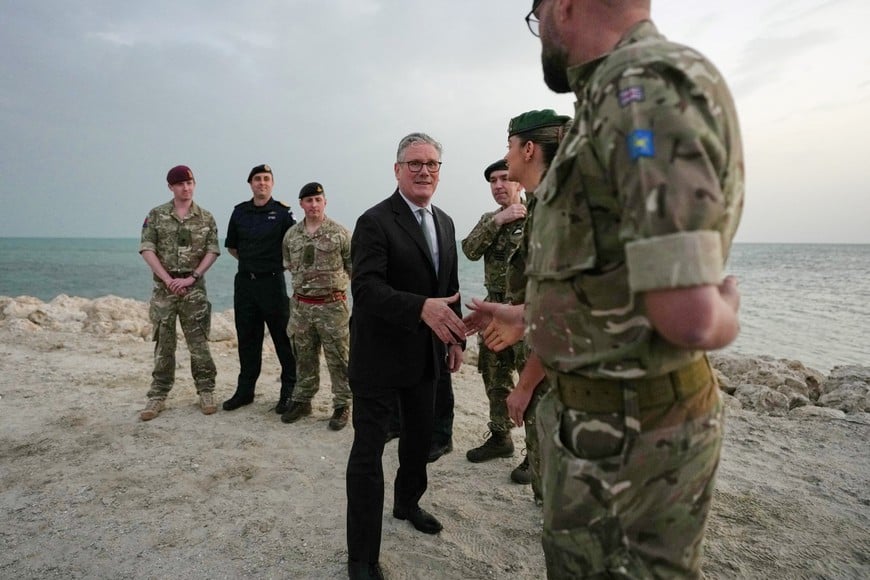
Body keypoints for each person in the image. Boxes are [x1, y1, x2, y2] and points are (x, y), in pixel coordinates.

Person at [471, 2, 745, 577]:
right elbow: (608, 271)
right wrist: (530, 313)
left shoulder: (640, 90)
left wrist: (726, 310)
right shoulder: (604, 104)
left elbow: (690, 318)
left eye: (536, 14)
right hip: (602, 429)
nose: (538, 30)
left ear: (564, 7)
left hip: (638, 441)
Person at [345, 132, 465, 580]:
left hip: (426, 354)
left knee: (418, 440)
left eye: (431, 163)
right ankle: (361, 558)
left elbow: (448, 291)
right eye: (414, 163)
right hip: (378, 357)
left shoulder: (447, 222)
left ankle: (407, 502)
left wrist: (454, 339)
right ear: (397, 170)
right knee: (368, 453)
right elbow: (366, 289)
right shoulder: (374, 221)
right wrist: (420, 308)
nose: (423, 171)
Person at [138, 165, 220, 421]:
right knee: (164, 344)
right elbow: (147, 249)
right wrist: (168, 279)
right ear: (171, 187)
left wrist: (191, 277)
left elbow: (212, 251)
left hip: (193, 290)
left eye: (190, 182)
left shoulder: (205, 217)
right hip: (164, 290)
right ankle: (158, 395)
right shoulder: (157, 215)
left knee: (199, 344)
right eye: (181, 184)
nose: (186, 188)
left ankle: (206, 390)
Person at [461, 160, 525, 467]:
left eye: (504, 179)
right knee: (495, 377)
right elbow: (470, 250)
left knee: (532, 384)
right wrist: (498, 220)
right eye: (492, 181)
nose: (498, 185)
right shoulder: (491, 219)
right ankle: (501, 438)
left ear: (519, 183)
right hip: (494, 310)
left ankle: (535, 455)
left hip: (525, 311)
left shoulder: (537, 216)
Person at [222, 164, 298, 414]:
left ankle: (289, 391)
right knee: (247, 339)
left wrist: (270, 267)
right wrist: (252, 265)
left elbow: (293, 248)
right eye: (257, 179)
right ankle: (245, 391)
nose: (262, 183)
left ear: (272, 184)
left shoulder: (283, 213)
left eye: (266, 179)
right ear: (251, 184)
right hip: (245, 284)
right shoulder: (239, 212)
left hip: (272, 283)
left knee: (283, 339)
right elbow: (233, 247)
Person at [280, 181, 353, 430]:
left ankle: (342, 404)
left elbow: (352, 267)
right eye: (308, 200)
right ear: (301, 204)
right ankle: (303, 400)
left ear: (325, 202)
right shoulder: (292, 235)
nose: (313, 205)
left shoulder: (340, 233)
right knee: (303, 356)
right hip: (301, 307)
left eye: (318, 200)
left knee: (339, 358)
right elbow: (289, 263)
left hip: (332, 306)